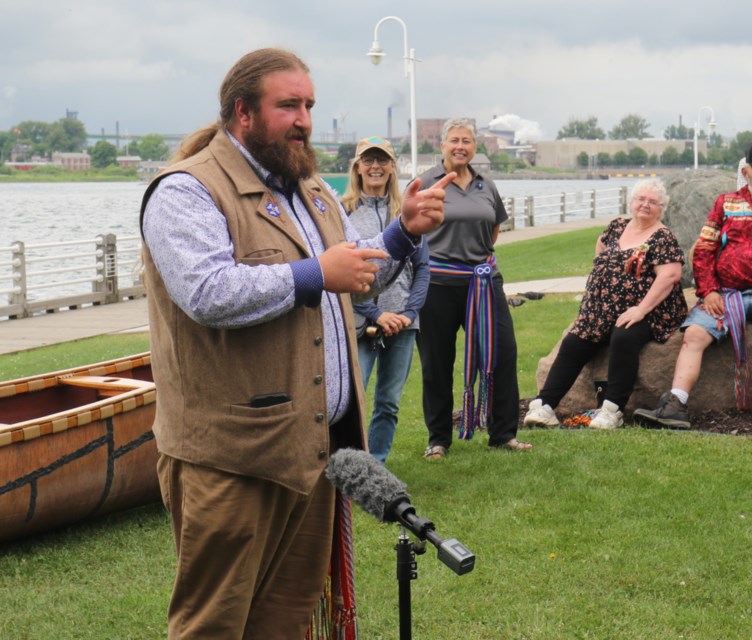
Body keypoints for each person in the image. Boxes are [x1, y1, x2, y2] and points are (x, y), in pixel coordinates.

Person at [139, 48, 453, 638]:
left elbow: (352, 274)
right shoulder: (185, 191)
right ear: (244, 113)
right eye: (288, 105)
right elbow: (208, 293)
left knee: (286, 620)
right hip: (231, 458)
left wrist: (403, 233)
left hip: (315, 454)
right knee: (214, 624)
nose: (304, 118)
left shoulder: (310, 190)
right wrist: (315, 274)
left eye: (308, 104)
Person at [634, 141, 752, 428]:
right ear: (746, 172)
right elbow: (705, 249)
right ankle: (676, 403)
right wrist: (707, 290)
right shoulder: (725, 203)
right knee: (694, 335)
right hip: (727, 293)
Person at [522, 177, 687, 429]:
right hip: (603, 308)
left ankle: (612, 410)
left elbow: (671, 275)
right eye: (641, 199)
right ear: (631, 202)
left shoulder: (663, 237)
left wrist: (641, 309)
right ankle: (544, 406)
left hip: (649, 310)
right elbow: (601, 246)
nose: (645, 205)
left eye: (652, 202)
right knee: (575, 340)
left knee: (624, 336)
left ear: (661, 208)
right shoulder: (617, 226)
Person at [416, 117, 531, 459]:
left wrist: (475, 259)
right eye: (454, 140)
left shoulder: (487, 185)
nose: (460, 146)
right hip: (438, 283)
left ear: (475, 147)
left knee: (502, 353)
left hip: (482, 282)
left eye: (467, 141)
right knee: (436, 362)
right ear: (442, 145)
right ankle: (438, 439)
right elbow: (411, 229)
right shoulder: (425, 182)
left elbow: (493, 230)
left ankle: (503, 434)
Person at [344, 136, 430, 463]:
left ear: (393, 167)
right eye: (369, 160)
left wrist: (409, 313)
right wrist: (376, 313)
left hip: (403, 326)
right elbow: (344, 274)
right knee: (354, 399)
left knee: (389, 402)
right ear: (358, 167)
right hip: (359, 322)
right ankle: (349, 464)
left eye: (382, 160)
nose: (375, 166)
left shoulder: (407, 212)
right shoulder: (345, 212)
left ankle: (376, 463)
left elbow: (422, 268)